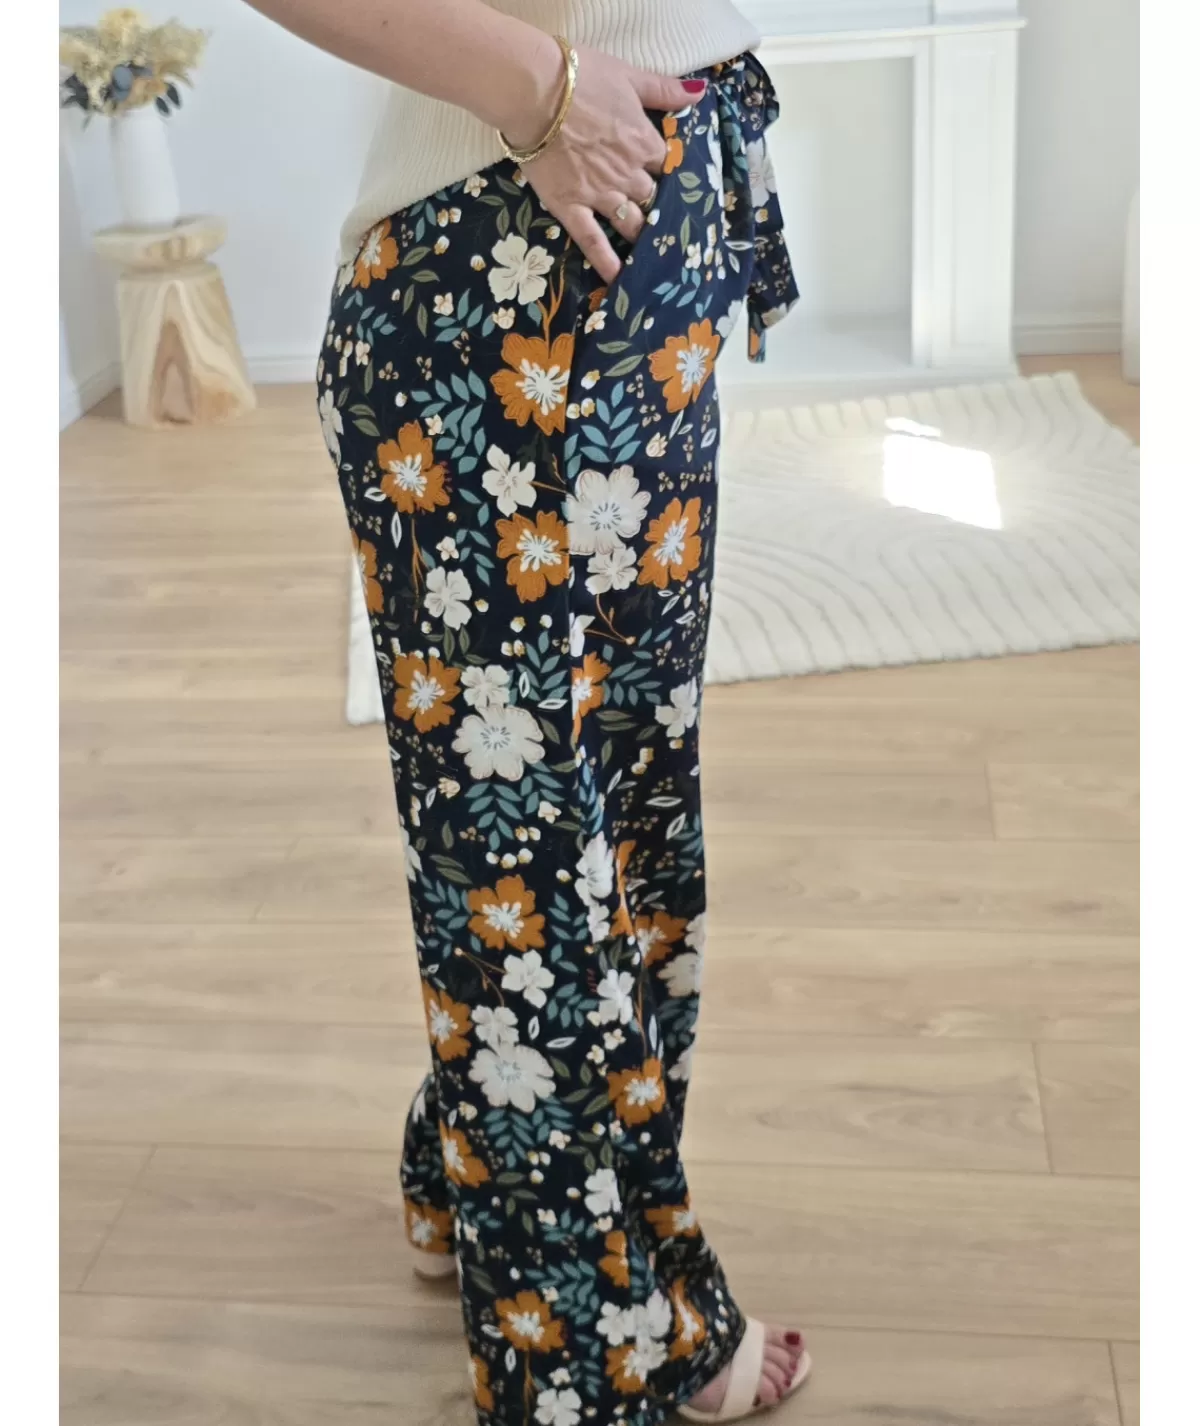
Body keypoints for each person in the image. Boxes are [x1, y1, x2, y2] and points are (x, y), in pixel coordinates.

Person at [247, 3, 804, 1421]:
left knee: (601, 820)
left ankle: (481, 1184)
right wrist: (545, 91)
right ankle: (594, 1350)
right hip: (509, 280)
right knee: (538, 860)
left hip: (589, 256)